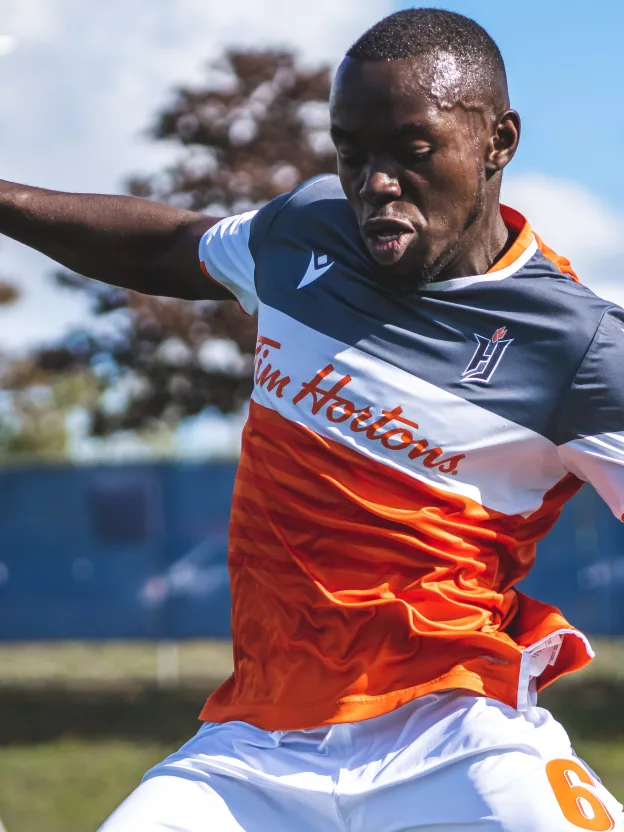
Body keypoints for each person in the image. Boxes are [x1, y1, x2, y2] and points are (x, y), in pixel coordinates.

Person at [2, 7, 623, 831]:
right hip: (254, 745)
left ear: (498, 142)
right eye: (352, 152)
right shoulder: (303, 235)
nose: (376, 184)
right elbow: (165, 246)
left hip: (456, 732)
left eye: (411, 150)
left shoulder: (580, 346)